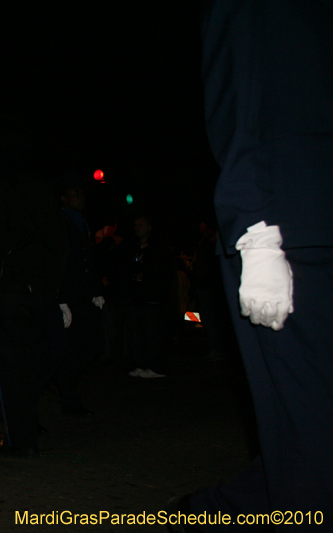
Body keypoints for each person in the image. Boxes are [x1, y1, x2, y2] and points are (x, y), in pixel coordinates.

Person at [166, 2, 333, 531]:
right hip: (293, 227)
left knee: (308, 430)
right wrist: (253, 229)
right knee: (310, 430)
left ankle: (224, 506)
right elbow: (236, 95)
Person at [0, 140, 71, 457]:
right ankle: (27, 421)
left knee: (8, 367)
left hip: (8, 289)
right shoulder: (44, 192)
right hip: (41, 290)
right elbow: (61, 244)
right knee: (33, 360)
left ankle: (18, 438)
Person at [49, 178, 105, 416]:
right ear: (63, 198)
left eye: (81, 193)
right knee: (71, 346)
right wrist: (60, 298)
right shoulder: (59, 222)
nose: (81, 197)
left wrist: (96, 290)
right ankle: (68, 398)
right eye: (75, 194)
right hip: (68, 294)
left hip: (83, 293)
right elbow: (57, 262)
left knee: (92, 343)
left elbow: (87, 259)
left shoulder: (81, 221)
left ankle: (62, 381)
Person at [119, 216, 174, 378]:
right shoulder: (132, 247)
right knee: (137, 332)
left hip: (152, 297)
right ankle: (140, 364)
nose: (137, 228)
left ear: (149, 227)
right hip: (136, 296)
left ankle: (157, 366)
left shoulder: (159, 248)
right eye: (135, 225)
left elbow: (163, 273)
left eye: (141, 225)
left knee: (153, 332)